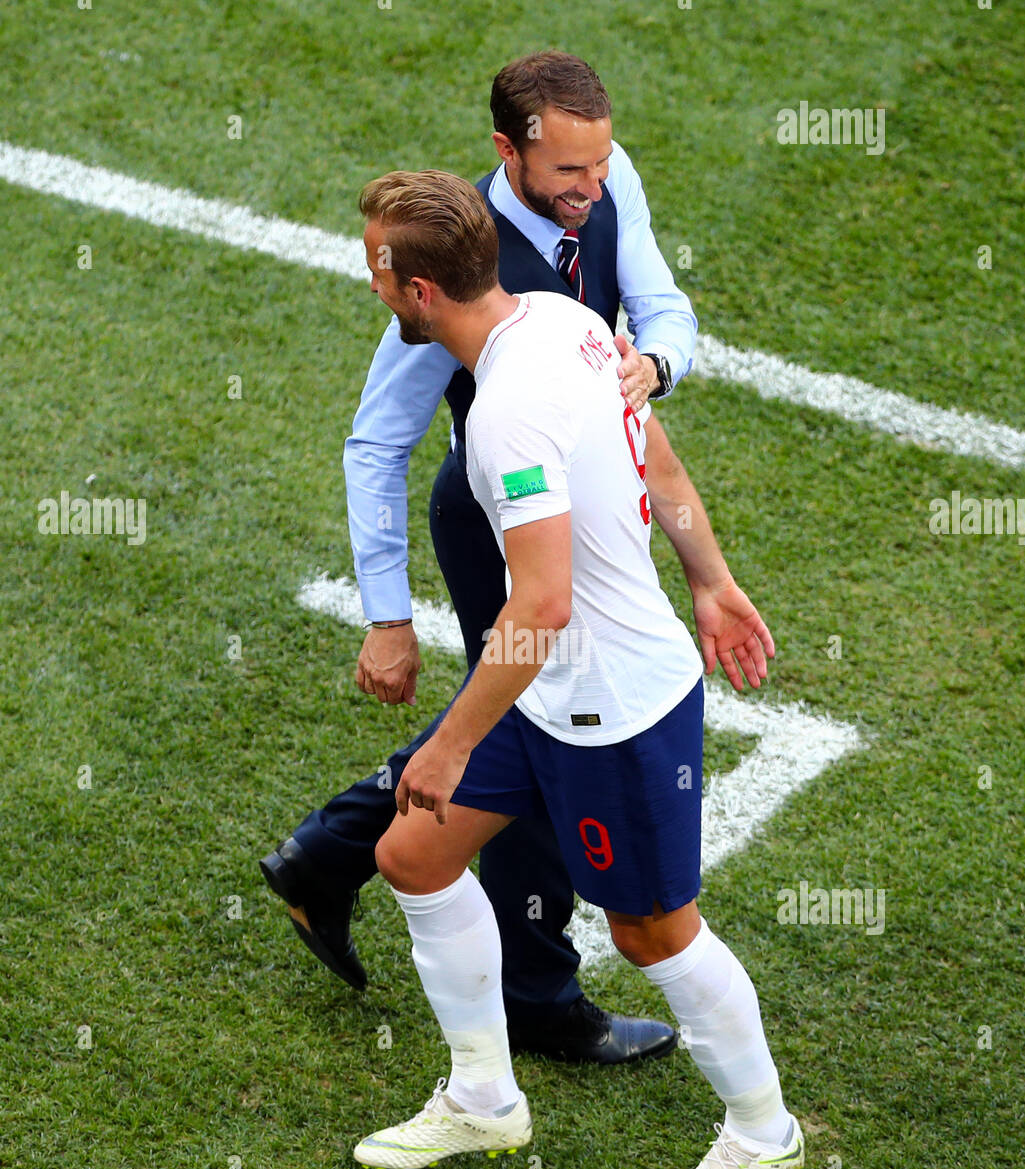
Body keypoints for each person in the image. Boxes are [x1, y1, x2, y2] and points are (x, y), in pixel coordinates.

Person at [261, 51, 757, 1064]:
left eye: (600, 167)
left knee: (527, 703)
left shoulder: (597, 208)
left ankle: (335, 848)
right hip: (496, 511)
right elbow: (377, 442)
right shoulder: (441, 278)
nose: (593, 188)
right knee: (542, 695)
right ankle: (533, 990)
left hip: (576, 474)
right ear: (509, 151)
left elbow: (661, 309)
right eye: (569, 173)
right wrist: (389, 613)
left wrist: (653, 366)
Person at [349, 169, 803, 1169]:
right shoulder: (559, 316)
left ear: (420, 291)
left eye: (377, 264)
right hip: (550, 692)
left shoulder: (503, 415)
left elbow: (542, 604)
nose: (368, 277)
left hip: (611, 703)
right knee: (414, 853)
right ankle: (483, 1096)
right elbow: (656, 452)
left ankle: (765, 1134)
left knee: (653, 932)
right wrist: (712, 577)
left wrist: (453, 742)